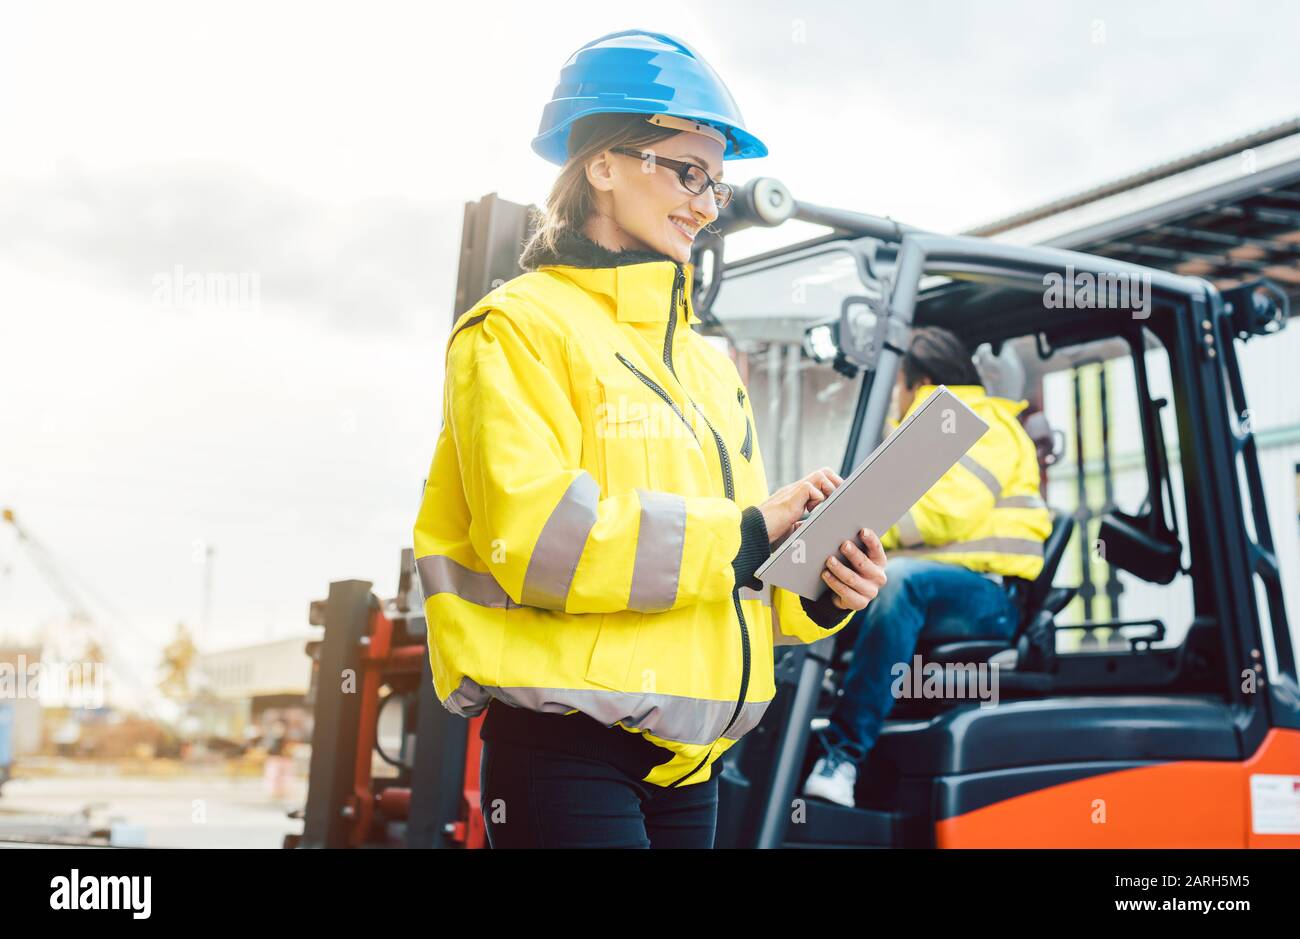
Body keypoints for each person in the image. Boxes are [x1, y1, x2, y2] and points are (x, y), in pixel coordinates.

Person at [412, 29, 888, 848]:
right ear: (602, 163)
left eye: (715, 180)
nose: (707, 203)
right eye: (688, 172)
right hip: (568, 756)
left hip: (688, 768)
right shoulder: (515, 330)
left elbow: (727, 584)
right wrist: (750, 529)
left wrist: (817, 587)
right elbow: (535, 541)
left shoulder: (709, 371)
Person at [803, 327, 1052, 808]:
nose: (894, 399)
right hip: (939, 593)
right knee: (825, 593)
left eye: (896, 386)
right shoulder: (930, 431)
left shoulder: (984, 425)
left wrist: (856, 529)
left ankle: (843, 758)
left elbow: (943, 513)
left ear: (919, 383)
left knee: (895, 583)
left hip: (988, 599)